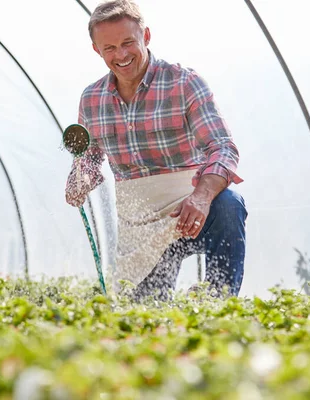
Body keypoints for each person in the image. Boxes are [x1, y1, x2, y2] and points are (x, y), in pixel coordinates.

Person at [65, 0, 247, 301]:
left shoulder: (183, 83)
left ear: (146, 37)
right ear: (97, 50)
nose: (121, 55)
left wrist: (201, 198)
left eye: (128, 43)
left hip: (188, 208)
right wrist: (80, 178)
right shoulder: (92, 99)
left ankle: (219, 307)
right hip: (139, 223)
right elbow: (89, 158)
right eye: (109, 48)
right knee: (146, 311)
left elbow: (223, 148)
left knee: (229, 205)